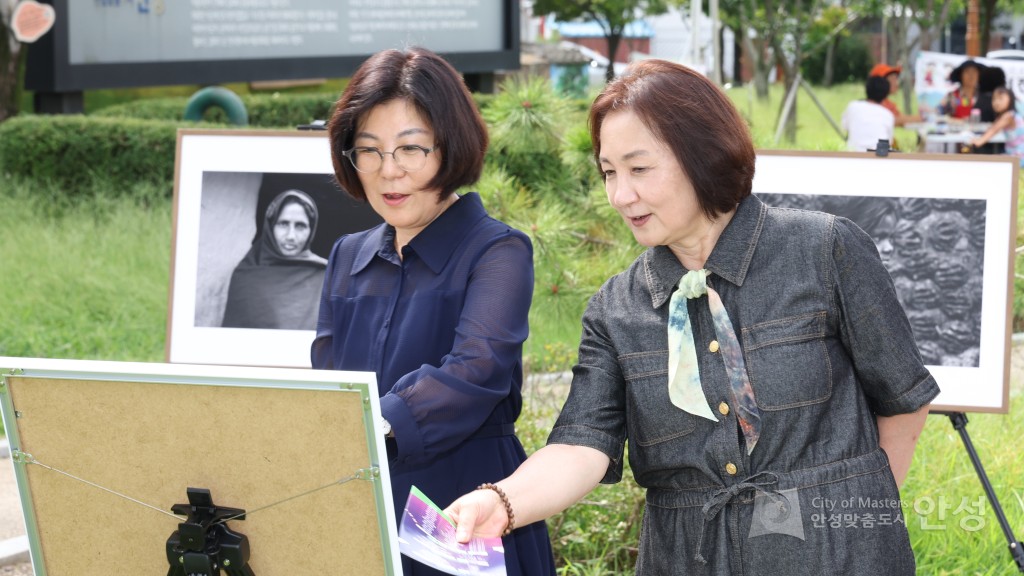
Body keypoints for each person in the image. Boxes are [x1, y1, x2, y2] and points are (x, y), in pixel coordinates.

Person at [445, 59, 938, 575]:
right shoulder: (616, 308)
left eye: (639, 169)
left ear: (702, 155)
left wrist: (856, 512)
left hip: (836, 556)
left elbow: (903, 400)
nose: (620, 195)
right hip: (687, 559)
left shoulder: (824, 250)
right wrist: (501, 503)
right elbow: (581, 444)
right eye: (609, 172)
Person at [312, 47, 556, 576]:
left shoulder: (498, 251)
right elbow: (329, 381)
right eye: (369, 151)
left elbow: (478, 366)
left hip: (466, 510)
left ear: (451, 148)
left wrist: (375, 422)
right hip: (359, 502)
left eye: (411, 149)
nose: (389, 172)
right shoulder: (347, 255)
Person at [221, 189, 327, 330]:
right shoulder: (246, 276)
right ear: (270, 227)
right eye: (283, 224)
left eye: (300, 226)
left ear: (311, 229)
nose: (291, 236)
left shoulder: (325, 275)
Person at [971, 86, 1024, 166]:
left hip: (1019, 156)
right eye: (994, 99)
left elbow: (994, 130)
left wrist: (979, 141)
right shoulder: (1005, 116)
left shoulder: (1008, 116)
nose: (996, 102)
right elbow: (993, 127)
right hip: (1013, 154)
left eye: (1000, 98)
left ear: (1010, 99)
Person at [841, 76, 895, 152]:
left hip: (854, 154)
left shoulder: (853, 106)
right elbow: (889, 141)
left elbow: (844, 127)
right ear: (886, 95)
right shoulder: (888, 115)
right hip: (878, 157)